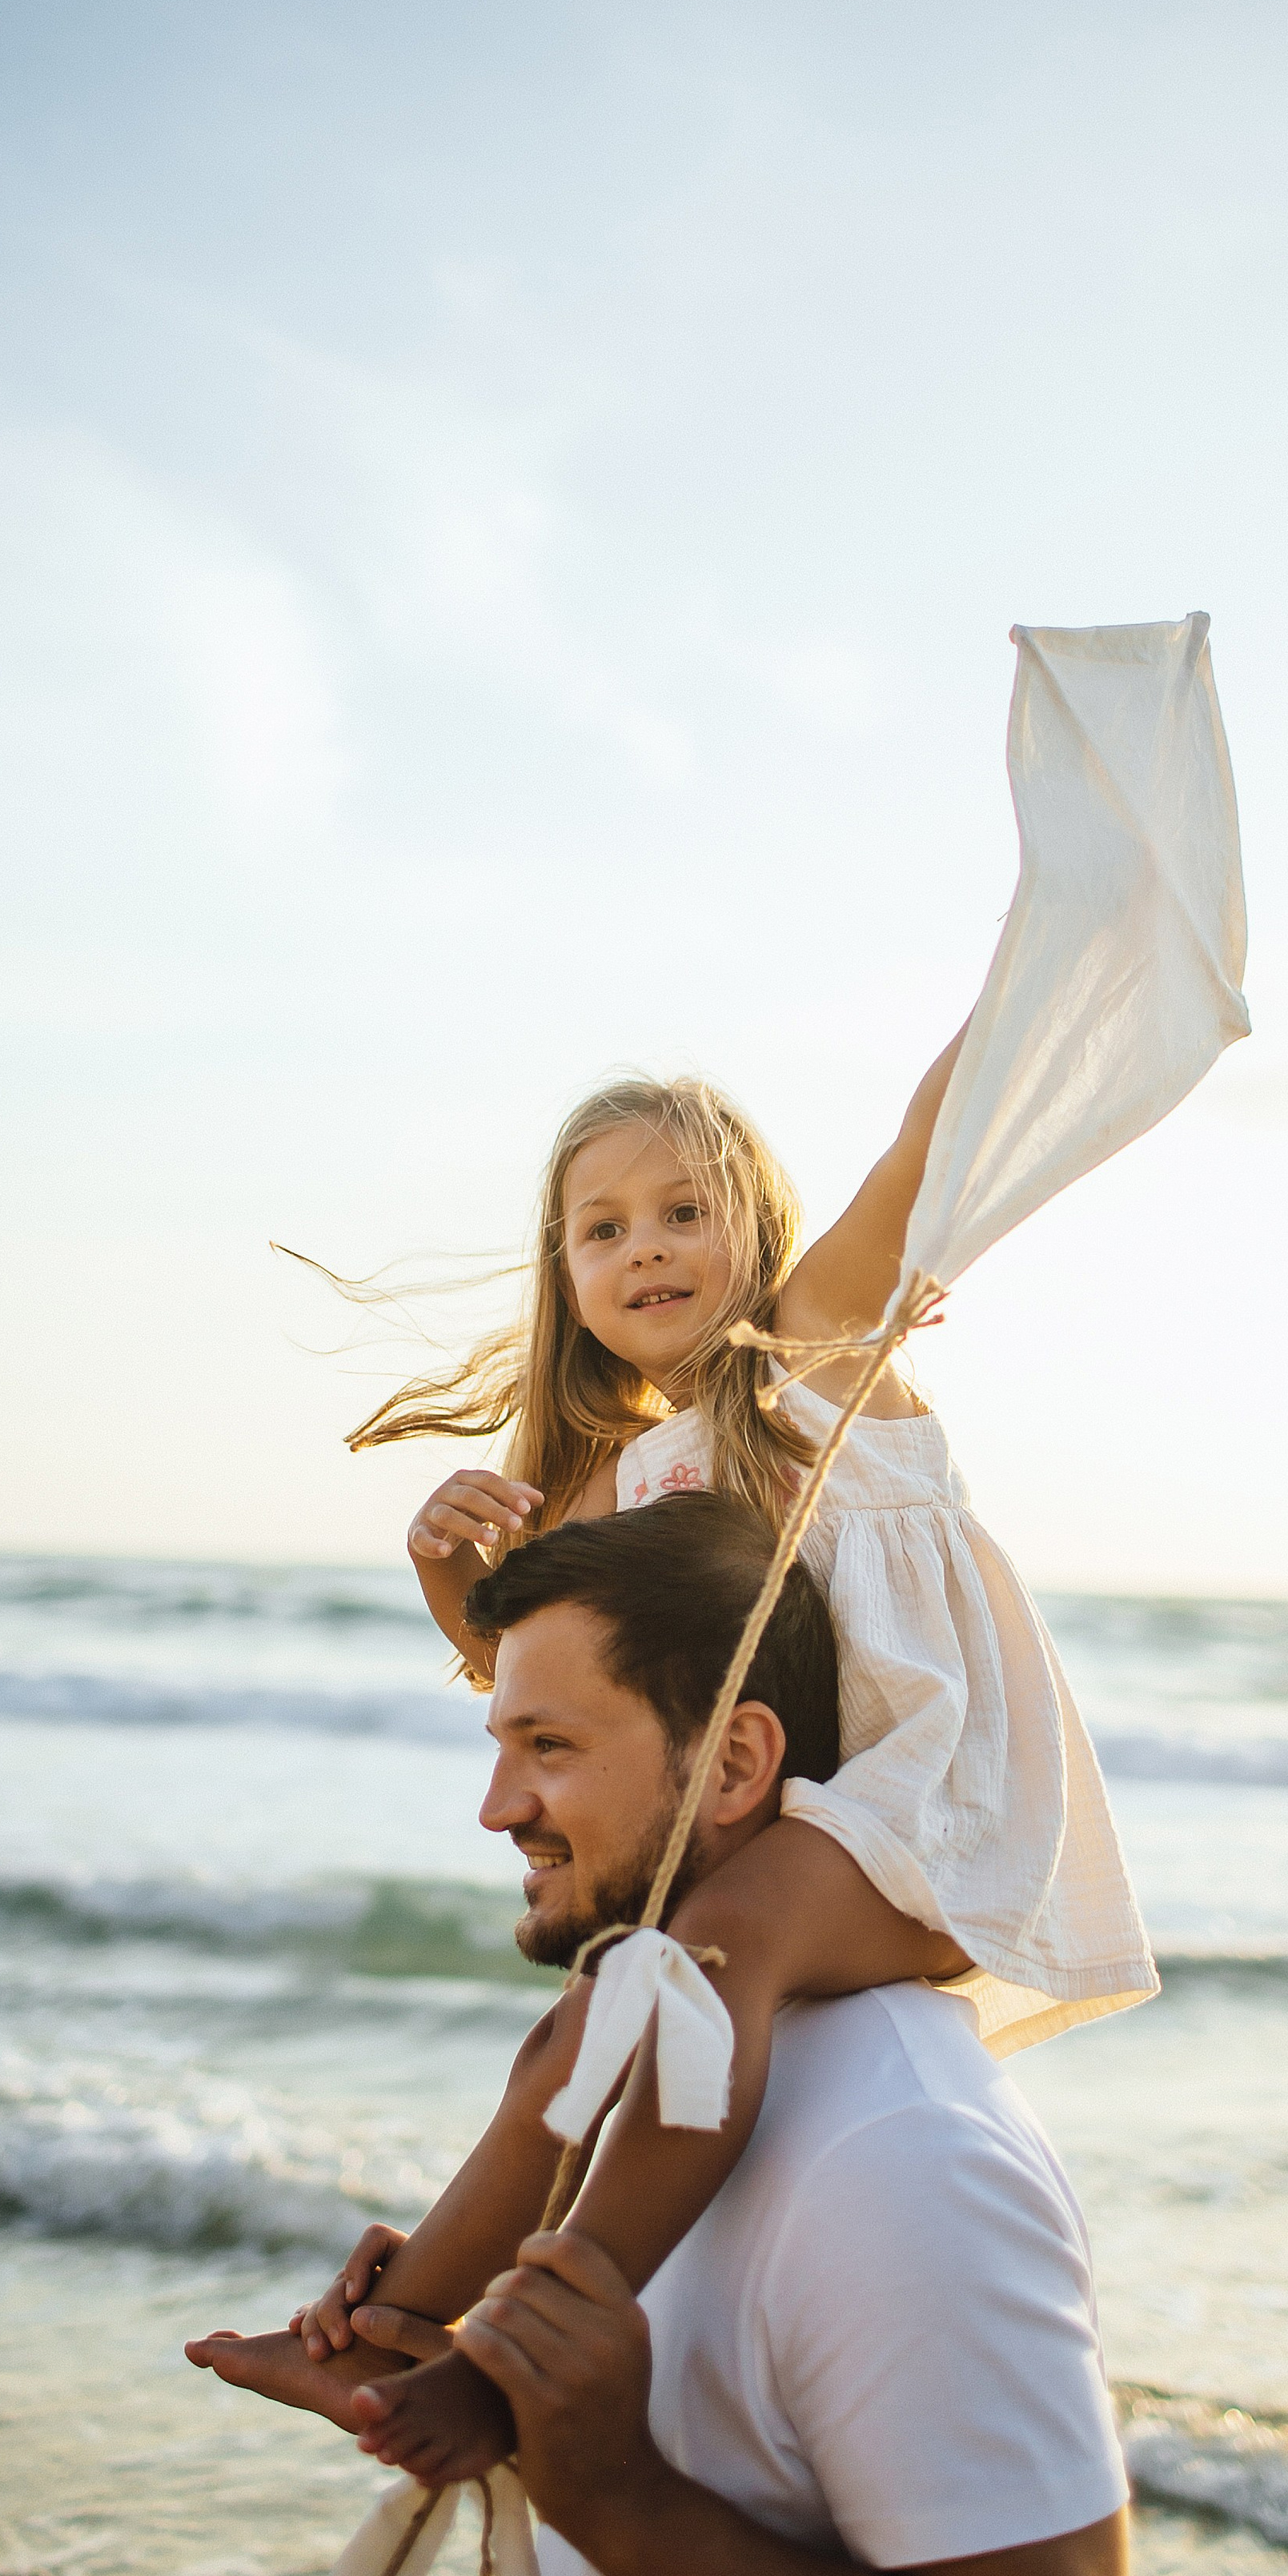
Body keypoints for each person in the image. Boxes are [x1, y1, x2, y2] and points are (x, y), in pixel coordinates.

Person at [187, 1498, 1129, 2576]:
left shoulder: (904, 2159)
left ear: (738, 1760)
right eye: (503, 1745)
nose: (499, 1805)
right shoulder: (656, 2112)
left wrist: (613, 2490)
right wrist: (439, 2349)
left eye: (550, 1748)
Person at [274, 1057, 1154, 2482]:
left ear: (760, 1229)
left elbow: (921, 1153)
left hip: (925, 1823)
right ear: (563, 1275)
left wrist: (1019, 966)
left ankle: (519, 2367)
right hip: (782, 1829)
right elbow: (549, 1698)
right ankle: (396, 2321)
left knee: (706, 1965)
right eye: (603, 1229)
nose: (648, 1249)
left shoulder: (814, 1357)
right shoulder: (614, 1486)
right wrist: (445, 1574)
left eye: (685, 1211)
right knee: (573, 2034)